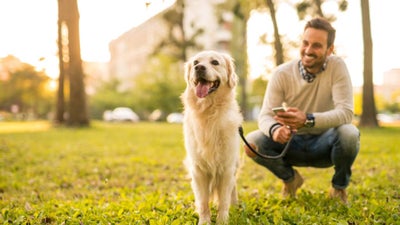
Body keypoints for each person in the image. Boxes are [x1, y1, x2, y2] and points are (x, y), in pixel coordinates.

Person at [244, 17, 360, 204]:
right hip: (291, 144)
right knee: (252, 143)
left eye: (316, 45)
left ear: (330, 50)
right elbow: (265, 115)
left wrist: (308, 119)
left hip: (326, 144)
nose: (308, 50)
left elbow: (346, 112)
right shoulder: (282, 73)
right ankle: (290, 179)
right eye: (305, 43)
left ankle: (339, 188)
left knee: (350, 133)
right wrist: (276, 130)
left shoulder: (337, 67)